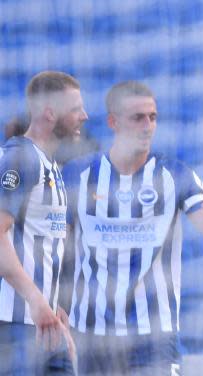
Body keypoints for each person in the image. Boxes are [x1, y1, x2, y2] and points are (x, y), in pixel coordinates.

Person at [59, 80, 203, 375]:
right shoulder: (78, 174)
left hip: (154, 334)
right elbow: (59, 248)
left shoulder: (176, 176)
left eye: (152, 117)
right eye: (137, 117)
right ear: (113, 122)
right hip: (92, 334)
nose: (147, 126)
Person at [0, 71, 87, 375]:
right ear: (50, 112)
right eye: (76, 108)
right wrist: (36, 301)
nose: (84, 116)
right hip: (14, 324)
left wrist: (56, 309)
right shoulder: (20, 157)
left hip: (46, 323)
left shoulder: (50, 165)